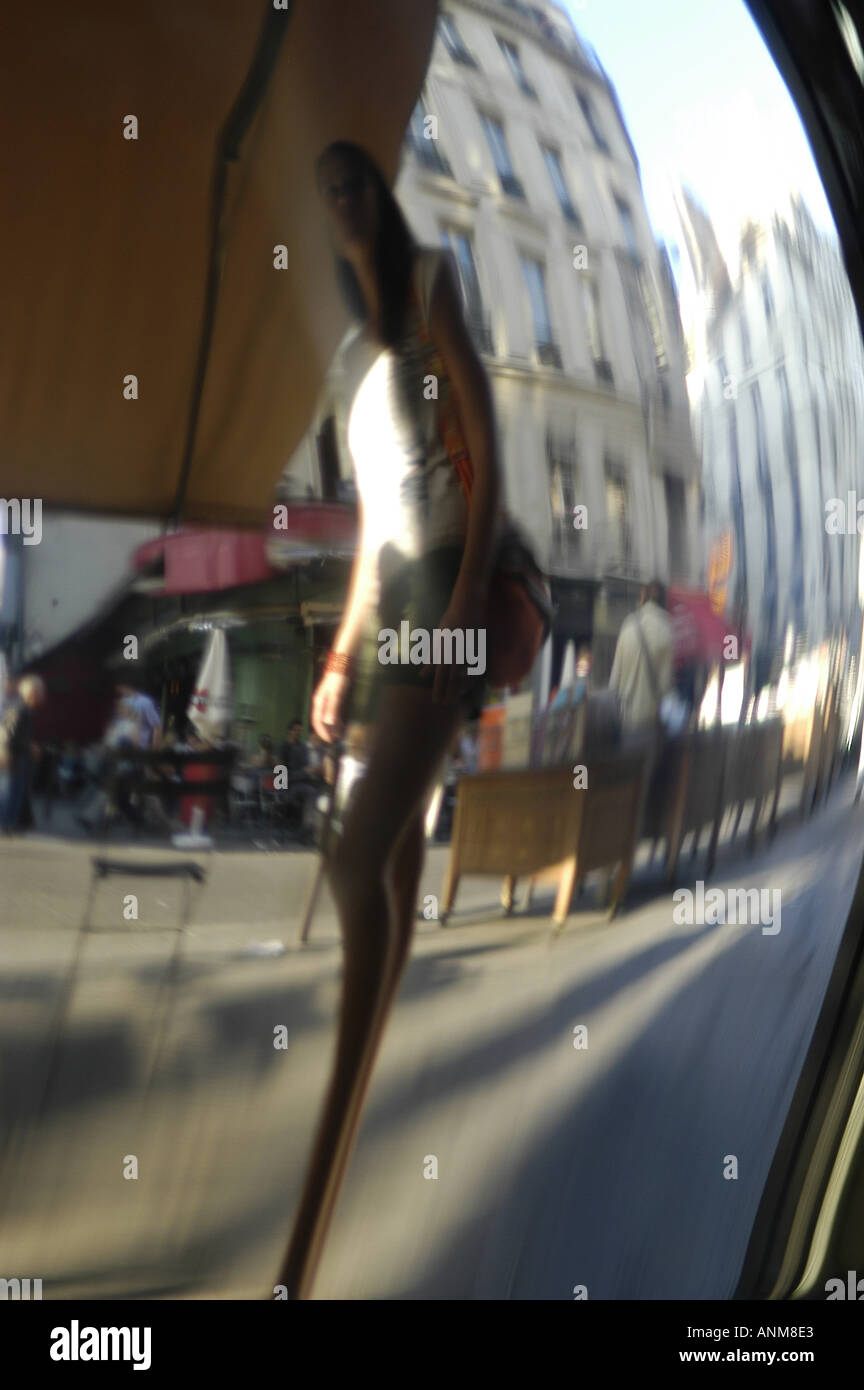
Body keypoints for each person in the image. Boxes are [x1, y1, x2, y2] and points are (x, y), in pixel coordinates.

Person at [277, 139, 503, 1298]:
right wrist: (338, 657)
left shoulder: (435, 285)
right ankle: (344, 1139)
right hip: (394, 604)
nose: (340, 199)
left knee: (354, 854)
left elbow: (486, 431)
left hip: (454, 580)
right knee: (393, 871)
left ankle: (302, 1243)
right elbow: (368, 534)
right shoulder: (356, 368)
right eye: (324, 193)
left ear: (381, 193)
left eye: (352, 175)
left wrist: (468, 595)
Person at [609, 579, 674, 738]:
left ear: (643, 597)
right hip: (650, 726)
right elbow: (666, 688)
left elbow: (614, 683)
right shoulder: (669, 631)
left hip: (625, 723)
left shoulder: (628, 626)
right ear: (665, 600)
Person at [0, 674, 47, 834]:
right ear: (32, 693)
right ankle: (5, 824)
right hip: (14, 757)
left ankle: (10, 824)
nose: (42, 695)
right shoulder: (21, 709)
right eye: (40, 691)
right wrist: (28, 747)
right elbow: (8, 734)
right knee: (10, 792)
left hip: (17, 755)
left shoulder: (23, 709)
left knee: (15, 792)